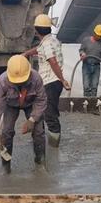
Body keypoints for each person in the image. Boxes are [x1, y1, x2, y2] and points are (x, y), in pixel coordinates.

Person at [0, 55, 47, 173]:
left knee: (39, 132)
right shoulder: (2, 81)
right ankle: (6, 165)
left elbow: (41, 100)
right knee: (7, 132)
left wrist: (32, 119)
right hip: (11, 104)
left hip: (31, 103)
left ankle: (40, 162)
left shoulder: (36, 79)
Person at [22, 14, 71, 147]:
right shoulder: (52, 41)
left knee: (49, 114)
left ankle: (54, 145)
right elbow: (39, 49)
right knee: (45, 111)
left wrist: (62, 79)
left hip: (50, 82)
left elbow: (52, 61)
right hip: (52, 82)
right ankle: (45, 139)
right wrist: (27, 53)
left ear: (37, 31)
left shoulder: (47, 43)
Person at [79, 24, 101, 97]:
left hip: (96, 66)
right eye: (98, 35)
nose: (100, 37)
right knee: (86, 85)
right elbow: (81, 50)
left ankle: (93, 102)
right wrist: (82, 54)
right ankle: (86, 101)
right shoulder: (86, 40)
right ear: (94, 33)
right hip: (86, 65)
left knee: (94, 86)